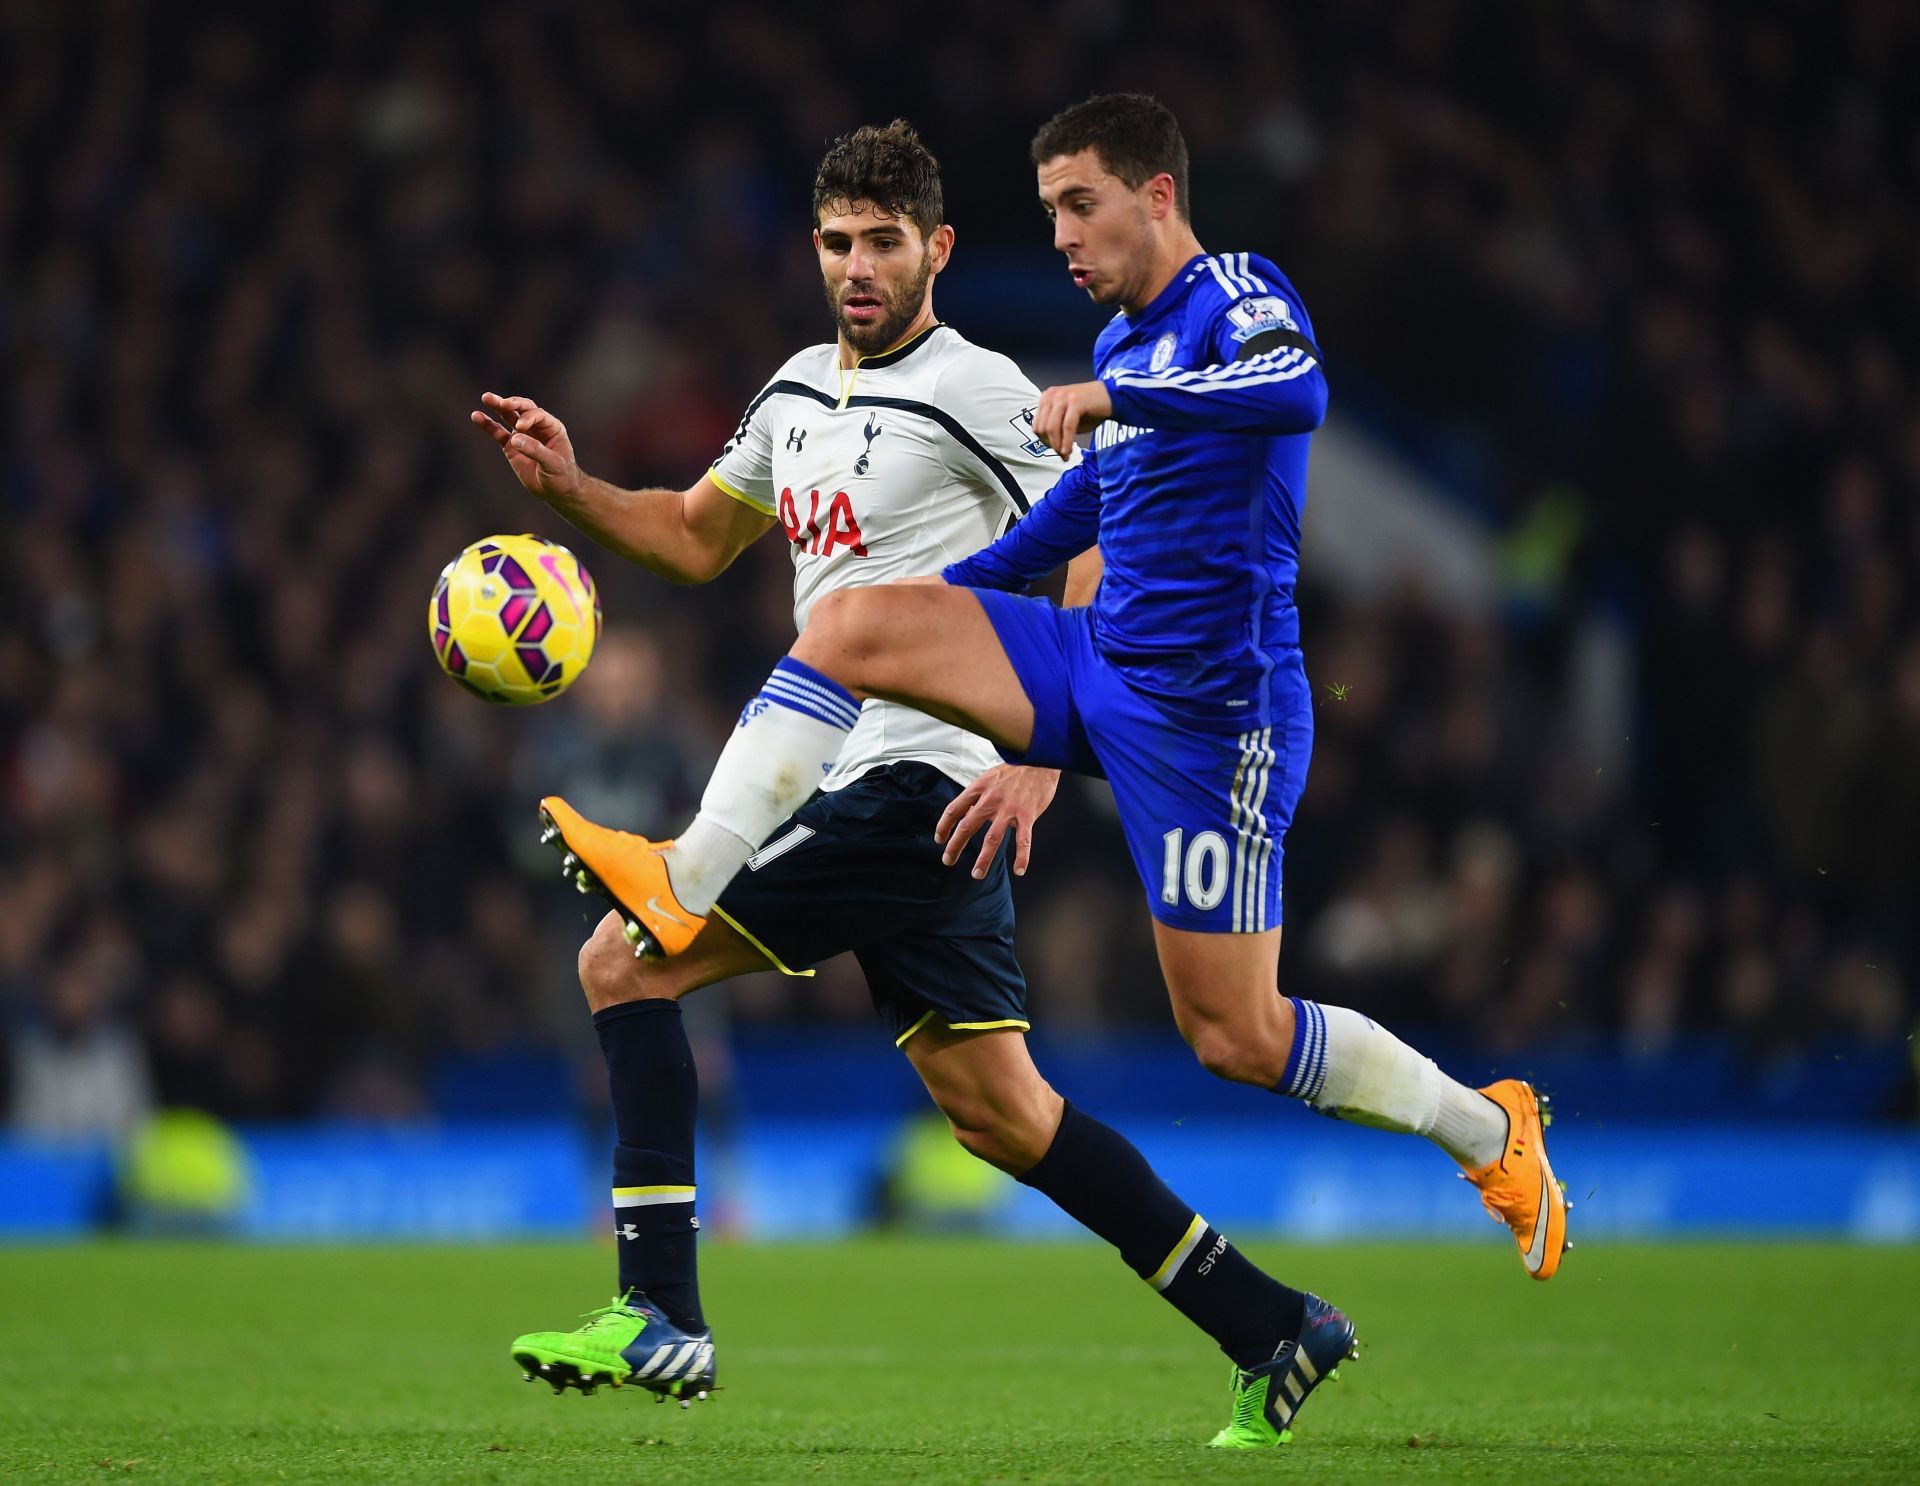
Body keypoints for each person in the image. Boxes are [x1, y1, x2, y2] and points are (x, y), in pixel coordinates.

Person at [538, 95, 1573, 1449]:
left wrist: (1106, 408)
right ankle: (1272, 1323)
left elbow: (1295, 392)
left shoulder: (1230, 301)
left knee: (1237, 1036)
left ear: (1155, 193)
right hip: (1095, 665)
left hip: (1214, 720)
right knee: (856, 634)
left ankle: (1486, 1130)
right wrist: (947, 628)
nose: (1067, 238)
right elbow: (1078, 516)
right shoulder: (1110, 345)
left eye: (1079, 207)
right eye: (1051, 217)